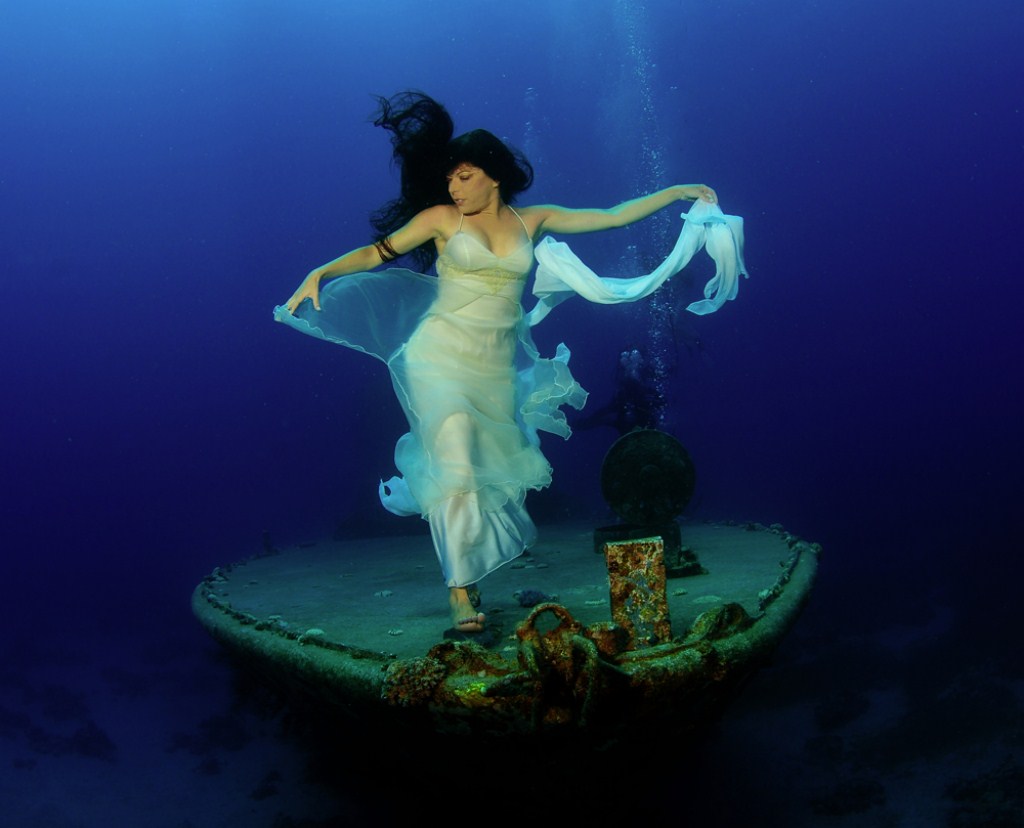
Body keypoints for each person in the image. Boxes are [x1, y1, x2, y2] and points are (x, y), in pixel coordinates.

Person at [277, 91, 742, 636]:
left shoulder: (533, 220)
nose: (454, 187)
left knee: (485, 471)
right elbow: (376, 253)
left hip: (494, 369)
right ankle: (459, 590)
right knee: (453, 453)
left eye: (465, 176)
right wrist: (320, 273)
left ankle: (469, 568)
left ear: (493, 176)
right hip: (438, 357)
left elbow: (612, 217)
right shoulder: (441, 219)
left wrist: (678, 192)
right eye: (450, 179)